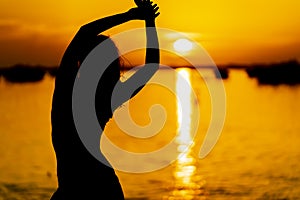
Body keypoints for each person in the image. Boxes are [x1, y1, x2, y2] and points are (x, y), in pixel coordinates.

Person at [50, 0, 160, 199]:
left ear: (83, 61)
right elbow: (151, 66)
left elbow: (83, 32)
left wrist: (130, 15)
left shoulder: (67, 88)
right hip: (104, 185)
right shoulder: (108, 96)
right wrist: (149, 22)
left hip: (75, 188)